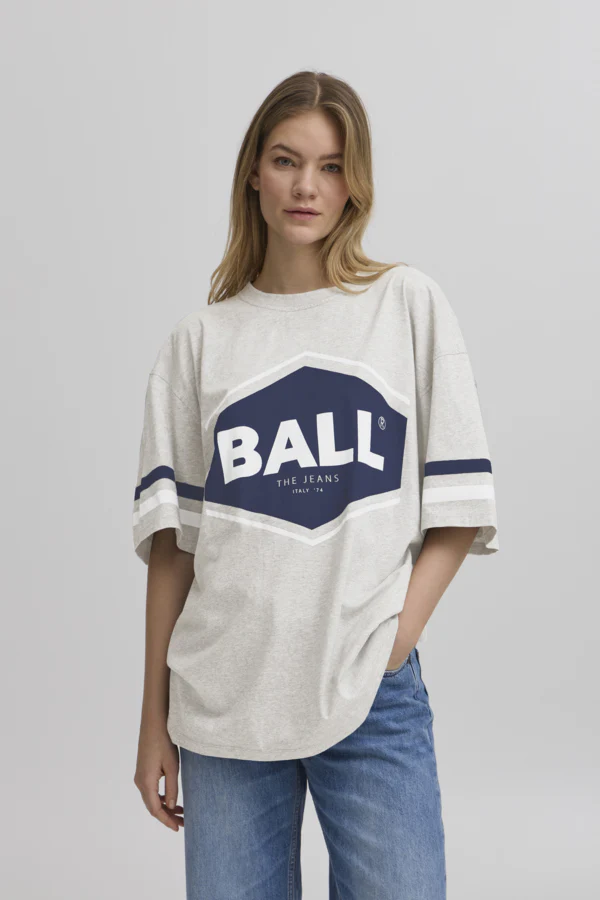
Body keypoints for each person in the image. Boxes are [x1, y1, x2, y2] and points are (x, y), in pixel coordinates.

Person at [132, 70, 499, 900]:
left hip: (369, 693)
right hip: (224, 703)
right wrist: (154, 721)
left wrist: (393, 640)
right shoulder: (199, 343)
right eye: (286, 160)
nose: (307, 186)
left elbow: (458, 510)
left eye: (331, 166)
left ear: (355, 183)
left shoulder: (405, 305)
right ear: (253, 175)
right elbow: (174, 550)